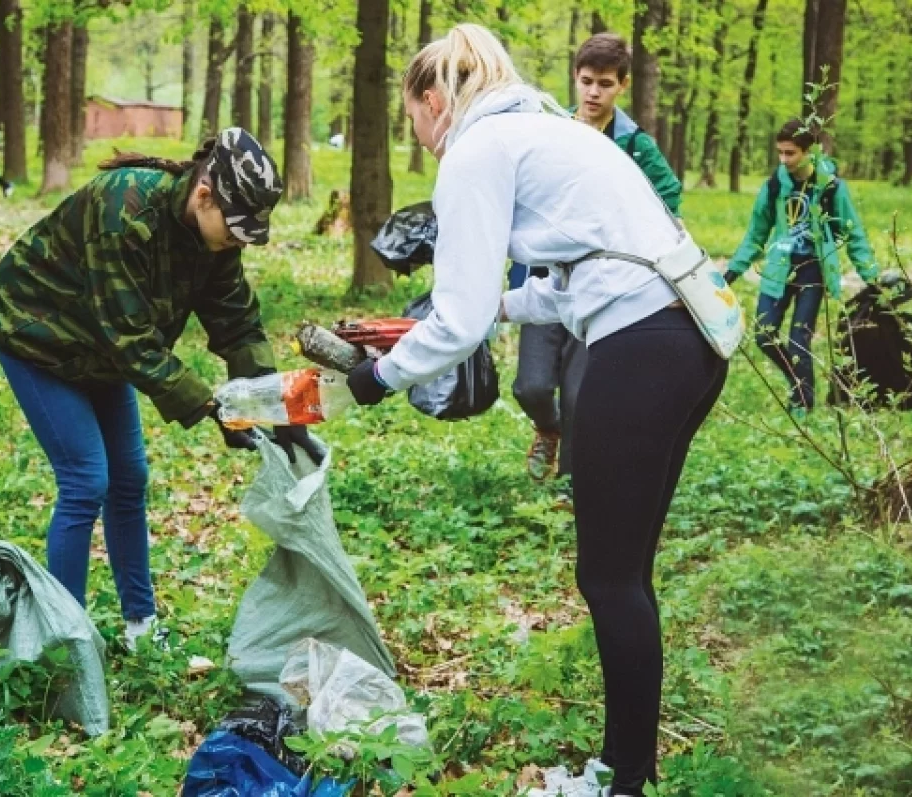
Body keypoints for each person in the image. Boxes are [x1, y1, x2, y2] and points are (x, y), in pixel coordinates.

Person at [346, 24, 728, 796]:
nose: (417, 138)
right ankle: (628, 769)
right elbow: (560, 282)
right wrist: (487, 311)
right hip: (693, 336)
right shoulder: (547, 130)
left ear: (431, 100)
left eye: (411, 121)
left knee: (610, 577)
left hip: (641, 342)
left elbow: (456, 320)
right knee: (626, 573)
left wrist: (375, 378)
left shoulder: (477, 151)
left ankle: (622, 783)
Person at [0, 128, 321, 650]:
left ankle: (140, 625)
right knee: (86, 480)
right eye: (234, 230)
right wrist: (214, 409)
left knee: (130, 478)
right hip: (36, 332)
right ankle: (65, 640)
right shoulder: (123, 209)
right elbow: (130, 340)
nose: (236, 242)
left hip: (100, 346)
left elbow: (237, 323)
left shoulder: (214, 235)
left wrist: (274, 408)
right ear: (204, 194)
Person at [511, 31, 683, 485]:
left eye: (605, 83)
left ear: (622, 85)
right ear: (575, 78)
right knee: (530, 385)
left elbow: (669, 195)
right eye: (586, 80)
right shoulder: (555, 133)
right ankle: (547, 429)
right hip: (548, 280)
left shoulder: (635, 144)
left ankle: (573, 482)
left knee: (581, 391)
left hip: (602, 289)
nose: (593, 92)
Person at [724, 118, 877, 415]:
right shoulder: (774, 185)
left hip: (812, 270)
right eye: (780, 152)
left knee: (799, 340)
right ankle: (798, 380)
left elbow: (853, 232)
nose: (784, 160)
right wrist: (734, 270)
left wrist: (871, 275)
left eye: (790, 153)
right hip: (778, 268)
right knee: (764, 335)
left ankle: (803, 403)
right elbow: (756, 232)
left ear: (810, 151)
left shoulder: (831, 187)